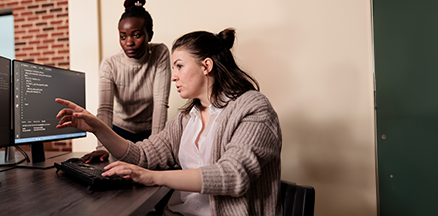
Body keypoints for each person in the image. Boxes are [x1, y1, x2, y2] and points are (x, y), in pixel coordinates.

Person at [56, 28, 281, 215]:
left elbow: (233, 175)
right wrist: (98, 128)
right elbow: (141, 155)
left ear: (206, 66)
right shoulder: (185, 120)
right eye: (173, 68)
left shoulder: (253, 108)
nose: (173, 76)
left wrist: (153, 177)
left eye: (179, 66)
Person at [81, 0, 171, 164]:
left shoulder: (160, 53)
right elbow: (106, 109)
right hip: (119, 133)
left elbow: (160, 103)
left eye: (136, 35)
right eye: (123, 36)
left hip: (150, 132)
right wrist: (102, 147)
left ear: (149, 35)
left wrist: (157, 146)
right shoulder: (110, 63)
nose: (129, 42)